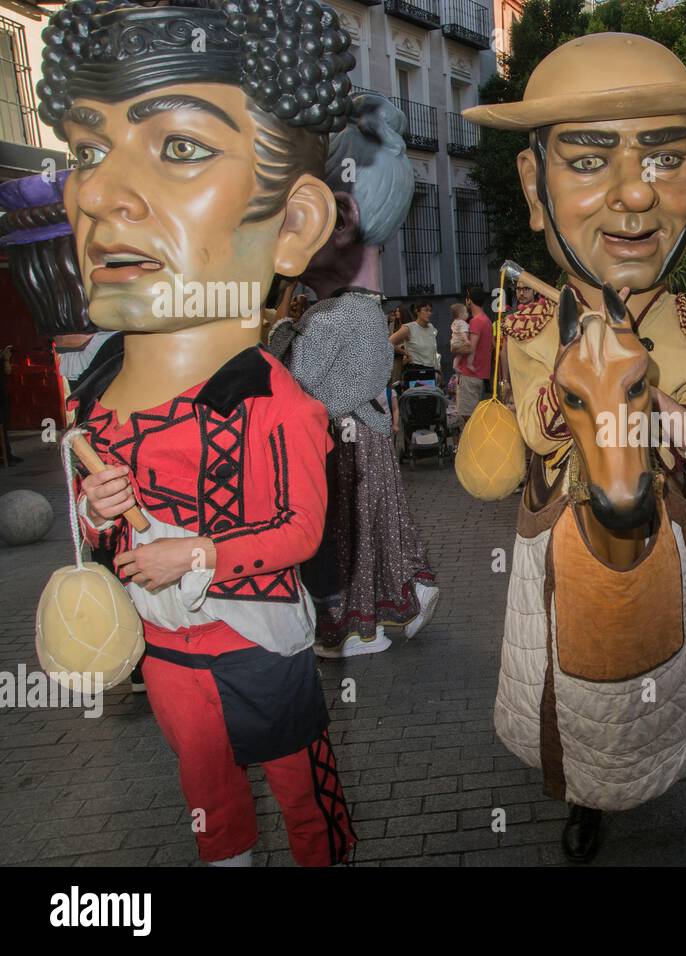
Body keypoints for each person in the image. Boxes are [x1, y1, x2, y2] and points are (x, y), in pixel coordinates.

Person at [48, 0, 356, 866]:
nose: (98, 196)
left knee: (306, 796)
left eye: (180, 147)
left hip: (257, 641)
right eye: (86, 151)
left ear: (295, 224)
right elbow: (103, 532)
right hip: (164, 651)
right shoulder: (99, 398)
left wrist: (198, 556)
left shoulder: (276, 402)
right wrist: (101, 509)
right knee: (207, 802)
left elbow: (301, 531)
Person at [463, 32, 686, 866]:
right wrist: (577, 379)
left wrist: (641, 388)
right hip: (561, 533)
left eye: (666, 159)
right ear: (534, 185)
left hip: (663, 535)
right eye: (590, 162)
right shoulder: (528, 325)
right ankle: (588, 805)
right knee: (570, 688)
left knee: (681, 678)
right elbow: (535, 430)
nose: (635, 196)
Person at [268, 92, 439, 660]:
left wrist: (274, 343)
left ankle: (357, 626)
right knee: (357, 538)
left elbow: (307, 393)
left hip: (345, 453)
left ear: (338, 221)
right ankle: (386, 607)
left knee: (348, 541)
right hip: (346, 450)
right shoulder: (343, 311)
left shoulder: (348, 316)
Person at [450, 286, 493, 431]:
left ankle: (469, 451)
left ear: (469, 300)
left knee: (468, 421)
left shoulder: (476, 321)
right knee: (473, 418)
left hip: (469, 375)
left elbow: (470, 348)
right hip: (479, 375)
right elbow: (491, 345)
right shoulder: (486, 320)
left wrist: (454, 349)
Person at [390, 300, 441, 382]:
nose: (429, 313)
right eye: (426, 310)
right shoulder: (408, 328)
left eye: (430, 311)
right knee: (416, 394)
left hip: (431, 370)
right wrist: (405, 353)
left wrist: (438, 369)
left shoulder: (431, 327)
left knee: (430, 394)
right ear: (417, 311)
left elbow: (433, 351)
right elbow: (389, 342)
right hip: (414, 370)